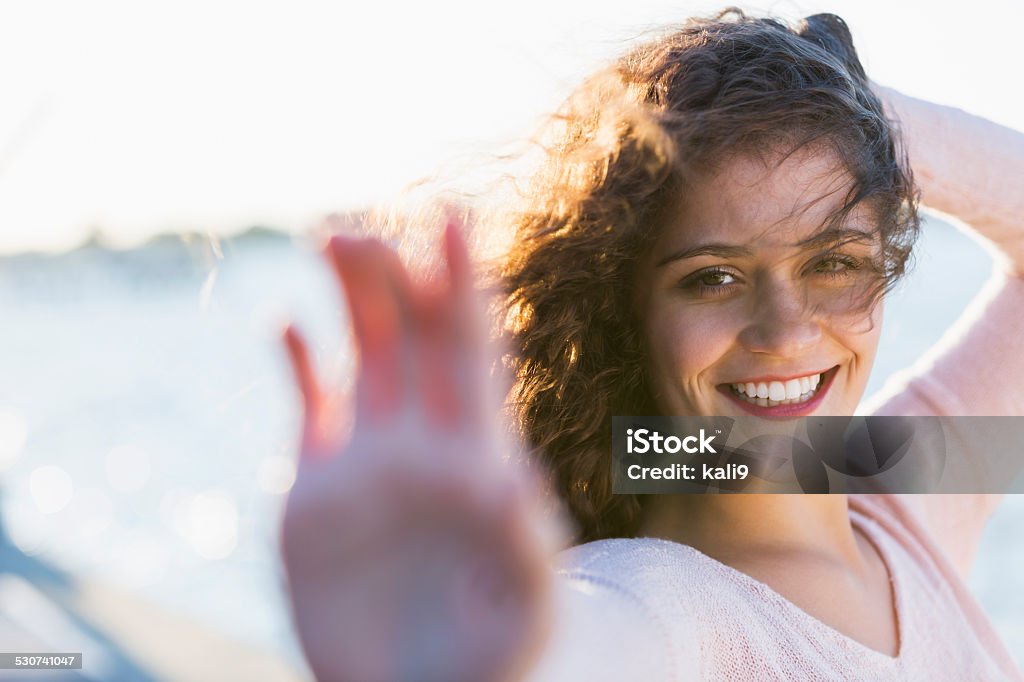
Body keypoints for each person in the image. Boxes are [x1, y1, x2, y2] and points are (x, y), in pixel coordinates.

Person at [279, 9, 1024, 681]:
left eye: (833, 262)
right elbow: (591, 638)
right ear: (625, 310)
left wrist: (846, 112)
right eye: (715, 278)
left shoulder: (909, 491)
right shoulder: (662, 598)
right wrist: (487, 655)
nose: (789, 330)